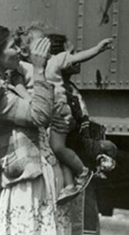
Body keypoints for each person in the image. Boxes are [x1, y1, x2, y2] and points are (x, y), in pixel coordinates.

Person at [12, 24, 113, 204]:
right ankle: (68, 186)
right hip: (46, 113)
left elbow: (77, 57)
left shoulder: (54, 60)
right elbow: (16, 80)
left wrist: (97, 49)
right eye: (41, 42)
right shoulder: (24, 67)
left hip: (58, 111)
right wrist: (27, 98)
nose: (46, 45)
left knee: (58, 148)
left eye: (46, 41)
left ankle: (82, 172)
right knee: (56, 150)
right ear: (26, 52)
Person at [0, 26, 72, 235]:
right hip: (24, 181)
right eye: (12, 46)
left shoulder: (11, 82)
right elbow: (39, 115)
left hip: (39, 174)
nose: (19, 50)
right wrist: (40, 69)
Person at [46, 33, 117, 235]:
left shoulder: (70, 89)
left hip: (75, 158)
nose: (76, 58)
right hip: (64, 163)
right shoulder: (56, 91)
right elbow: (69, 136)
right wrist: (97, 149)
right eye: (72, 53)